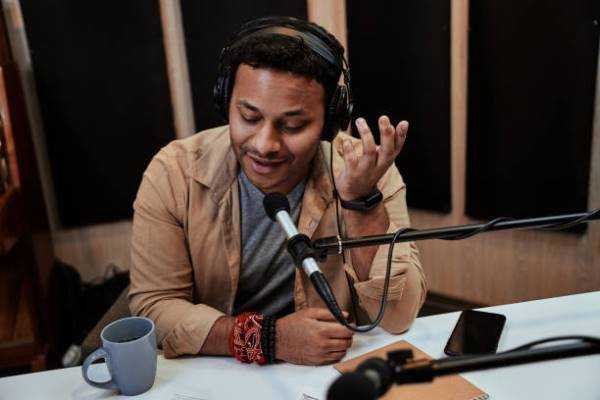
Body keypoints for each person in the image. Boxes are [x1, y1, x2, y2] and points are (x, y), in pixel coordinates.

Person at [129, 16, 427, 366]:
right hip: (214, 371)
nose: (264, 144)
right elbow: (154, 307)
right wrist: (267, 338)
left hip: (325, 372)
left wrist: (362, 204)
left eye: (293, 125)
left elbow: (398, 316)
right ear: (225, 101)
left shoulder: (366, 171)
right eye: (249, 117)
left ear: (330, 122)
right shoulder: (174, 173)